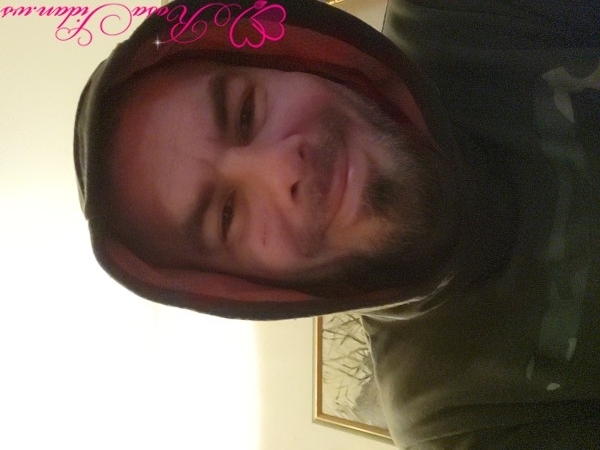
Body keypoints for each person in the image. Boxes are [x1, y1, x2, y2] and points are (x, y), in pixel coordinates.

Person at [74, 0, 599, 447]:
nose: (281, 169)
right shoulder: (460, 424)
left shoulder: (458, 15)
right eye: (227, 215)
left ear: (298, 59)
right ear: (250, 285)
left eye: (246, 112)